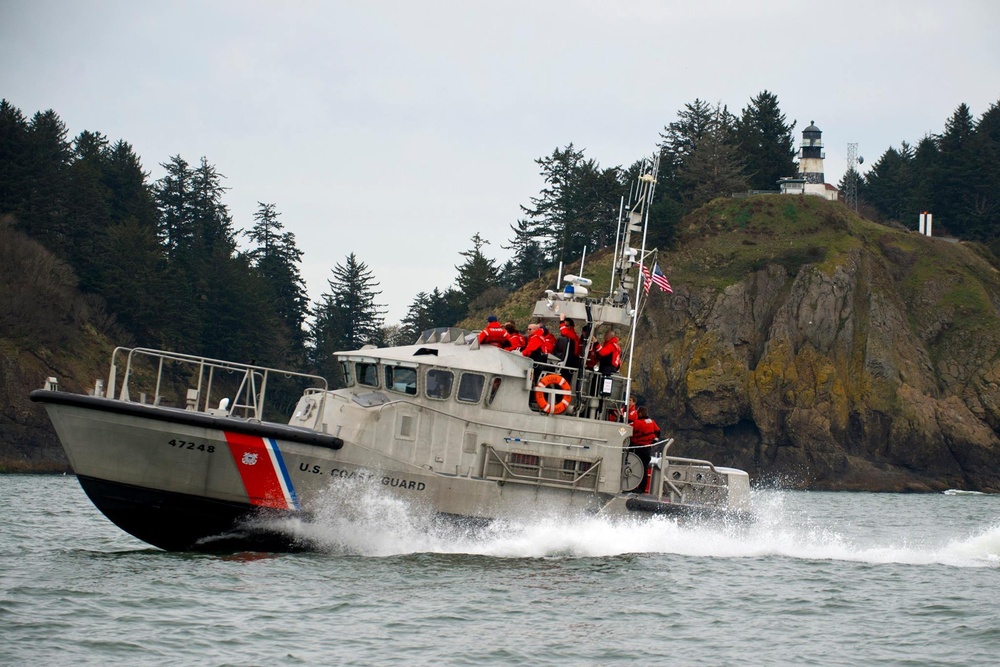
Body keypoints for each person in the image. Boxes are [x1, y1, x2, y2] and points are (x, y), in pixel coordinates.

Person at [629, 406, 661, 493]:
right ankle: (642, 488)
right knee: (644, 468)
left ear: (639, 413)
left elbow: (627, 429)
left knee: (637, 467)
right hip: (647, 448)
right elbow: (658, 431)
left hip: (638, 448)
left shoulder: (637, 423)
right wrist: (653, 442)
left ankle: (635, 486)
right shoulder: (652, 422)